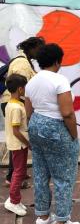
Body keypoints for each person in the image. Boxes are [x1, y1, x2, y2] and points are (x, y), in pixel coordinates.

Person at [25, 44, 80, 224]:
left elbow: (28, 110)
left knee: (40, 174)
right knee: (63, 177)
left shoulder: (32, 81)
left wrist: (32, 129)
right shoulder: (60, 80)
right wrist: (73, 136)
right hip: (56, 129)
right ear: (58, 61)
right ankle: (61, 222)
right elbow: (67, 113)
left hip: (36, 126)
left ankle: (42, 218)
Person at [1, 36, 45, 187]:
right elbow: (21, 89)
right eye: (39, 49)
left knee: (20, 138)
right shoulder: (22, 63)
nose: (40, 52)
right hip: (15, 104)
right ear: (31, 48)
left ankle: (19, 172)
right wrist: (28, 110)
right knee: (18, 140)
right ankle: (13, 177)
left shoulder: (25, 61)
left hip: (17, 103)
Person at [4, 74, 29, 216]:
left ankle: (16, 199)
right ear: (20, 89)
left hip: (20, 145)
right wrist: (28, 143)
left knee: (20, 171)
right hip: (18, 145)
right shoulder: (16, 108)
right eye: (24, 88)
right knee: (18, 173)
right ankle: (13, 201)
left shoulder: (15, 103)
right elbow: (16, 131)